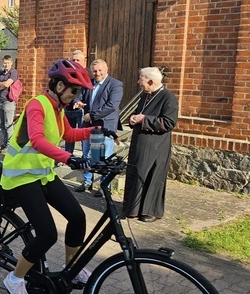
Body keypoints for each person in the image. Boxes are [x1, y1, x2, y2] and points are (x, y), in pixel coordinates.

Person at [0, 58, 117, 294]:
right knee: (48, 234)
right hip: (20, 175)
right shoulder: (37, 105)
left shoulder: (58, 110)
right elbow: (38, 140)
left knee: (77, 216)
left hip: (42, 174)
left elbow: (69, 134)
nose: (76, 96)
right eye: (74, 91)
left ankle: (70, 267)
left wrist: (97, 130)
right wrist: (68, 158)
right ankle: (14, 278)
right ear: (60, 85)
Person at [123, 67, 179, 222]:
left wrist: (143, 119)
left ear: (150, 81)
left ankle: (150, 211)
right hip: (140, 144)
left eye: (140, 79)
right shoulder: (145, 95)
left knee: (152, 177)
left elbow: (168, 123)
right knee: (137, 174)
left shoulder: (168, 98)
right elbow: (139, 113)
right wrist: (134, 118)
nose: (138, 82)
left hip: (156, 147)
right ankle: (133, 208)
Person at [75, 59, 123, 195]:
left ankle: (103, 186)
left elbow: (112, 105)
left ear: (106, 69)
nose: (97, 73)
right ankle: (87, 182)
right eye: (94, 71)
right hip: (87, 126)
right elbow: (78, 96)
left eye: (100, 70)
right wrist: (77, 101)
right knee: (86, 154)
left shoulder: (115, 85)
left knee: (103, 158)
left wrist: (92, 115)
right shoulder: (88, 84)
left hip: (104, 126)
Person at [0, 55, 19, 153]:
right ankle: (4, 144)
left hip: (9, 101)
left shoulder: (13, 72)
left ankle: (9, 146)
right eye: (4, 62)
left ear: (11, 63)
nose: (6, 64)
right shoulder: (1, 72)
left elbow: (7, 84)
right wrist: (2, 85)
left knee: (8, 124)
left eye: (7, 63)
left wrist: (0, 84)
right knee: (2, 124)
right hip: (0, 100)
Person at [63, 50, 86, 154]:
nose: (75, 62)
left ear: (84, 61)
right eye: (73, 60)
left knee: (82, 134)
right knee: (69, 134)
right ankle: (68, 155)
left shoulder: (88, 75)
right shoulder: (68, 74)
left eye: (78, 60)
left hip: (82, 110)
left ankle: (85, 155)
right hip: (68, 108)